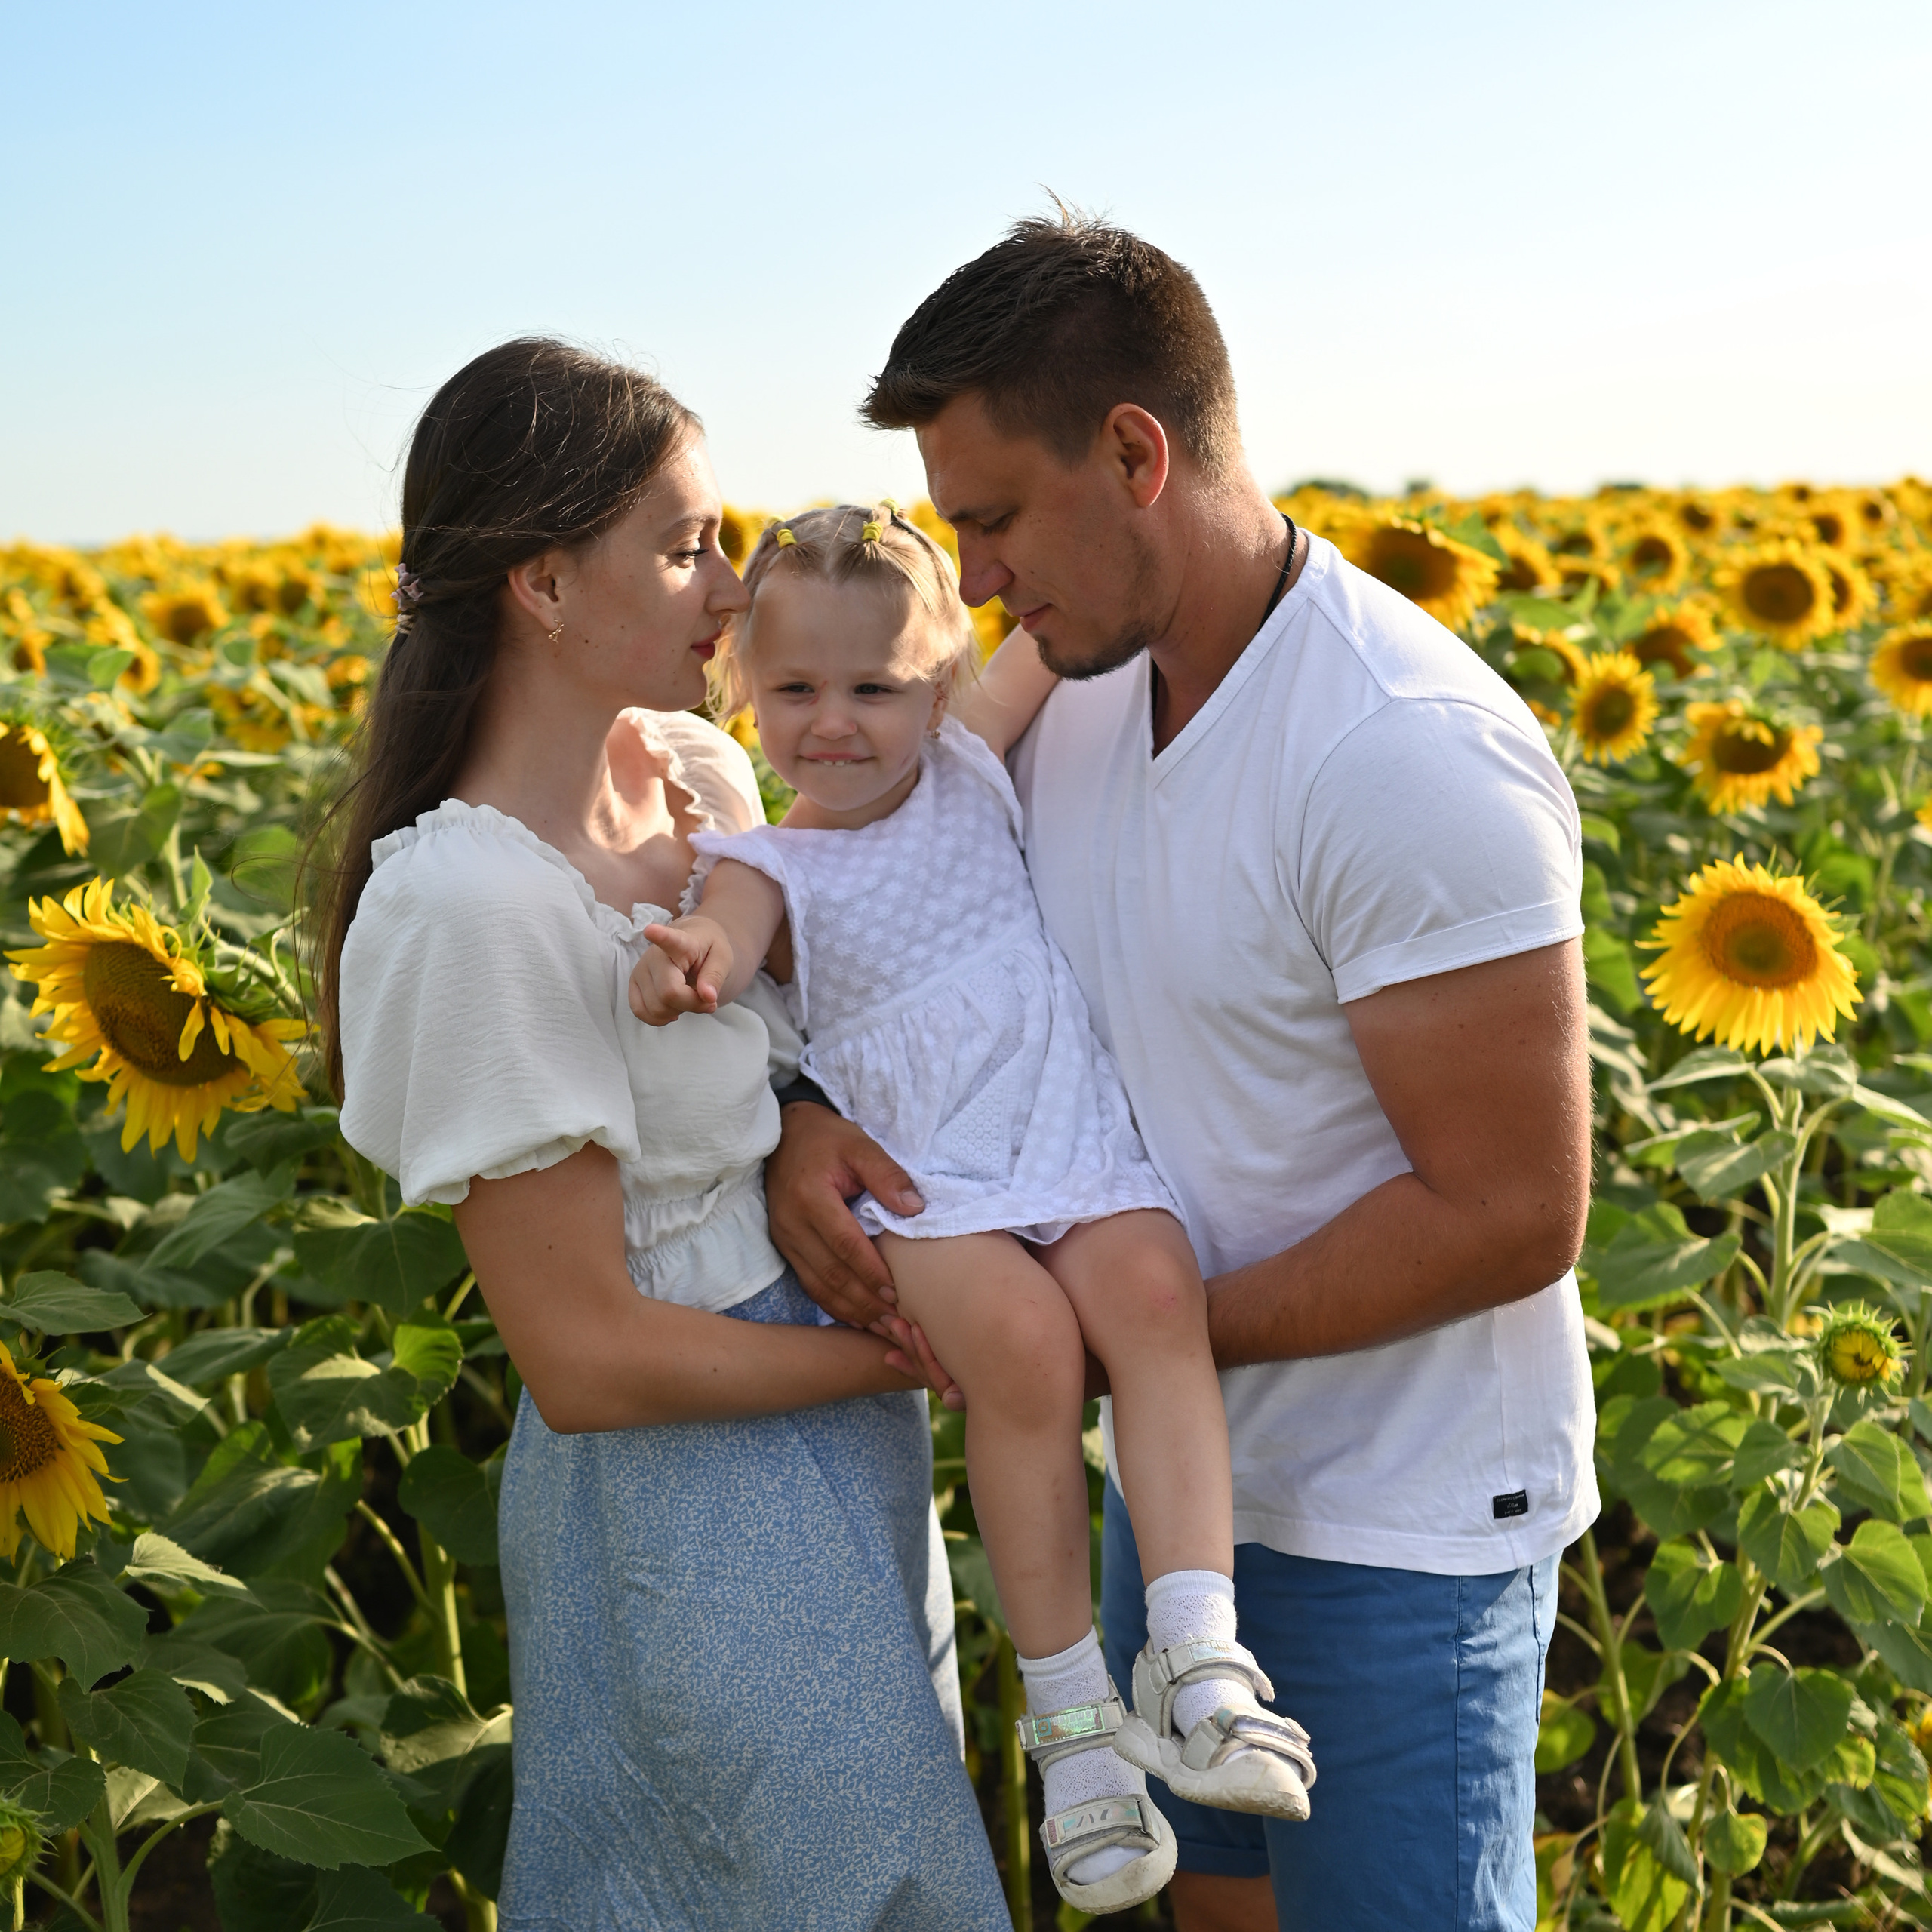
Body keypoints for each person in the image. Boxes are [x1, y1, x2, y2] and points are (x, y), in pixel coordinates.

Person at [767, 216, 1598, 1932]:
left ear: (1134, 453)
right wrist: (797, 1121)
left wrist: (1133, 1336)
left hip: (1396, 1516)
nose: (971, 578)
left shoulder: (1397, 754)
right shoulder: (1057, 692)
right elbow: (853, 904)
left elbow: (1516, 1211)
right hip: (1174, 1490)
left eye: (990, 518)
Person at [315, 340, 1008, 1931]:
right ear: (545, 581)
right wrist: (918, 1347)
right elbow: (586, 1356)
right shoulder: (468, 906)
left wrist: (804, 1129)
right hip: (690, 1504)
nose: (729, 576)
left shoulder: (688, 776)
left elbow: (776, 1062)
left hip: (843, 1444)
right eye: (686, 542)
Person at [629, 503, 1317, 1915]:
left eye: (876, 686)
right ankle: (1074, 1734)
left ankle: (1197, 1651)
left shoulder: (967, 759)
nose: (836, 722)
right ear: (747, 694)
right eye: (796, 690)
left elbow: (1045, 644)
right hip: (926, 1169)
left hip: (1063, 1124)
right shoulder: (771, 863)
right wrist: (693, 953)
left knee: (1152, 1295)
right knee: (1019, 1352)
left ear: (936, 686)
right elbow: (734, 938)